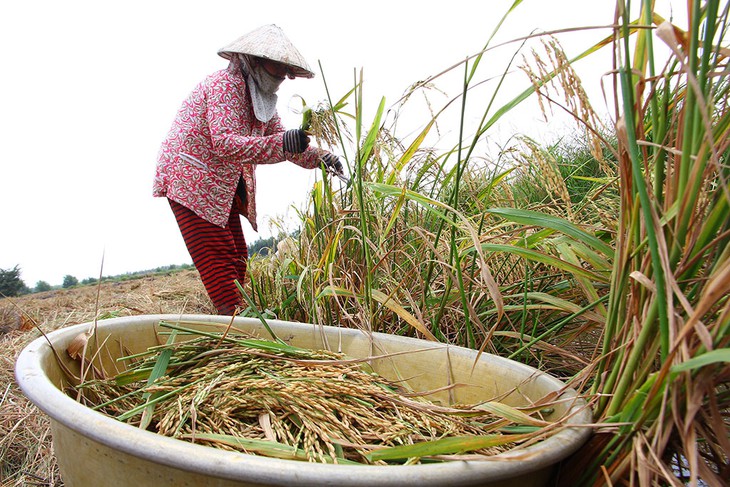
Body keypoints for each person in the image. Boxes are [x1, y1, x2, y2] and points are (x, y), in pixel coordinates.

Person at [153, 24, 343, 315]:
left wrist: (322, 158)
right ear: (253, 60)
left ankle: (237, 320)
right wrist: (281, 143)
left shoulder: (260, 98)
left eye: (288, 68)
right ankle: (236, 324)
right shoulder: (225, 86)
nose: (285, 75)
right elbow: (225, 143)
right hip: (191, 180)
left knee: (238, 255)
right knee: (218, 258)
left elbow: (285, 142)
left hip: (220, 186)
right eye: (279, 66)